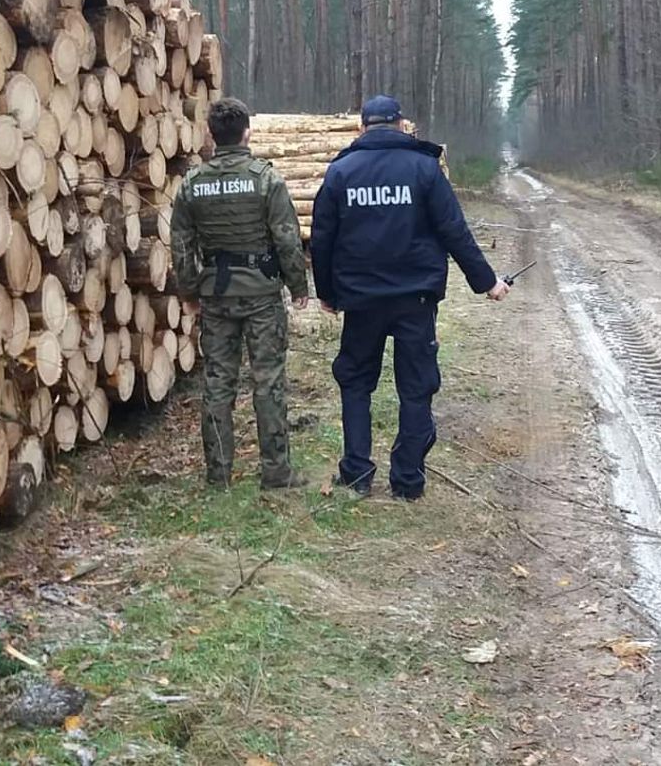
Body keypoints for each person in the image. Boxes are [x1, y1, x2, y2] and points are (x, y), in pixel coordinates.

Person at [310, 95, 510, 500]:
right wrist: (487, 282)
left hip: (361, 301)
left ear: (362, 128)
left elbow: (322, 239)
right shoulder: (425, 169)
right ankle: (407, 481)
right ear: (402, 125)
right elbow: (454, 231)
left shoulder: (341, 172)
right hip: (415, 301)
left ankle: (356, 476)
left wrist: (327, 294)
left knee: (355, 383)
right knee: (416, 388)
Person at [171, 97, 310, 490]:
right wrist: (298, 286)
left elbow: (181, 244)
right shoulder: (266, 178)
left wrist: (189, 290)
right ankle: (277, 473)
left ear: (212, 135)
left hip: (216, 296)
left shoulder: (192, 185)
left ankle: (219, 476)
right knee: (268, 382)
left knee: (217, 384)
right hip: (263, 296)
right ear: (246, 132)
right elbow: (287, 239)